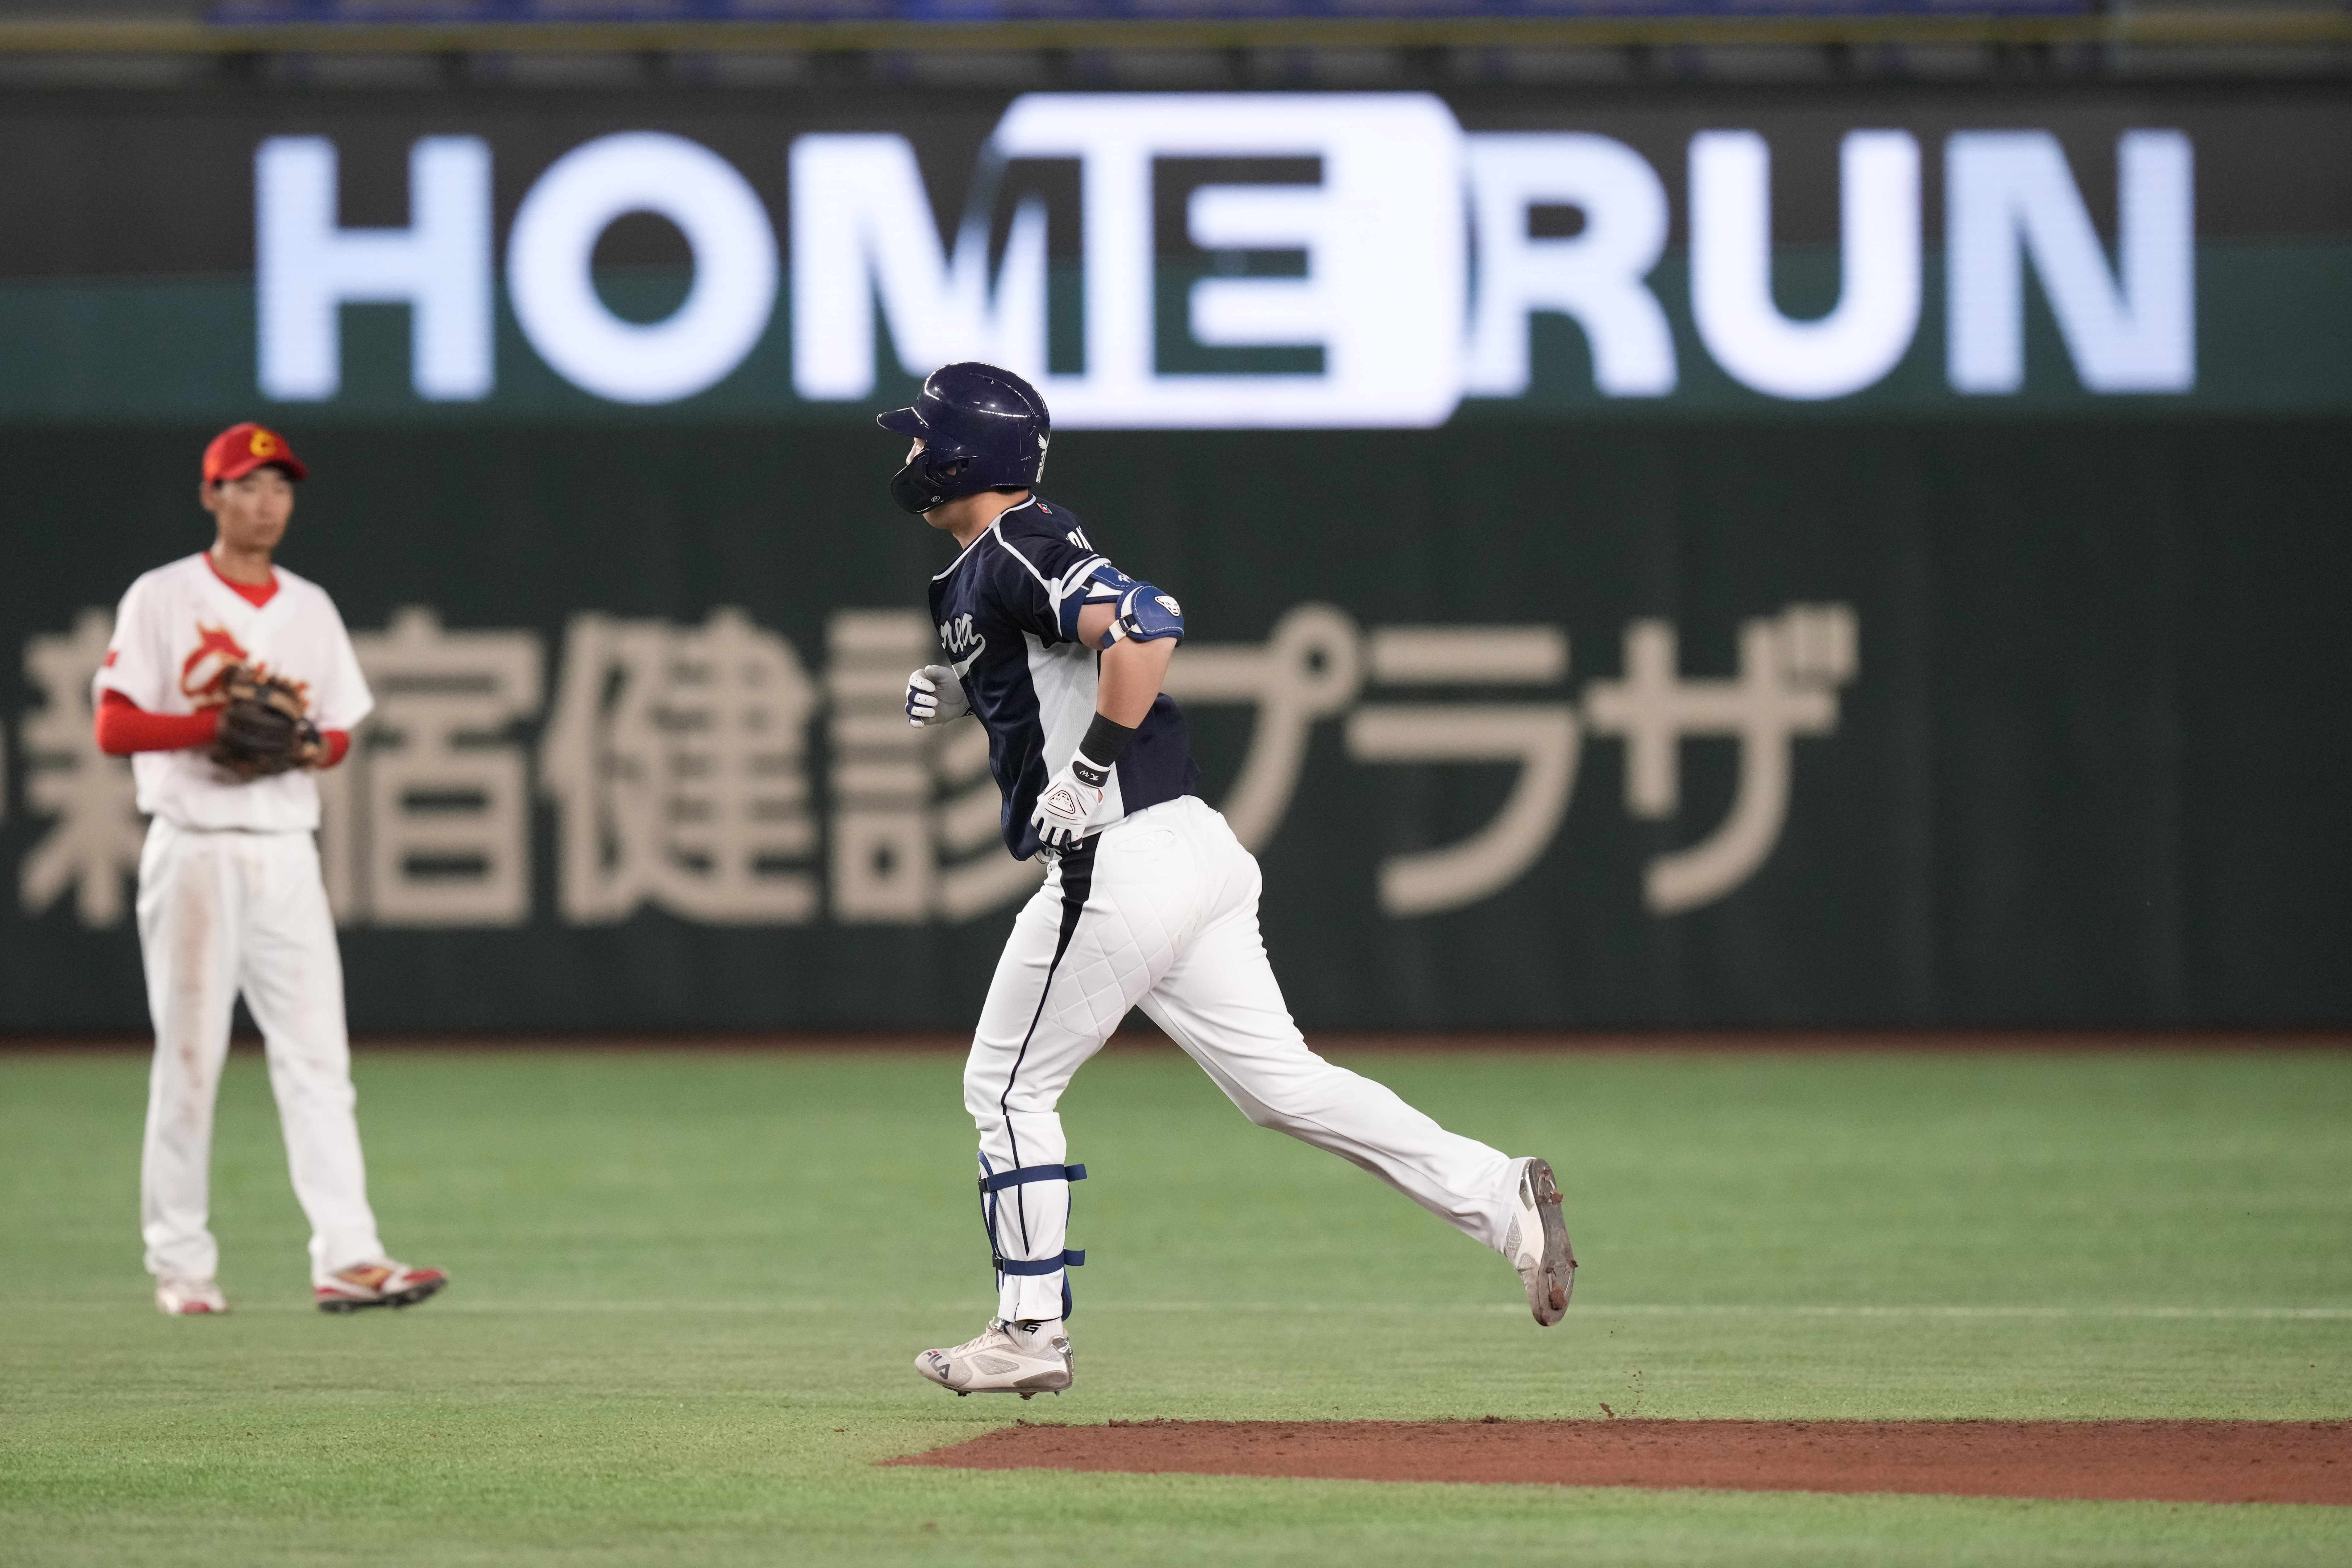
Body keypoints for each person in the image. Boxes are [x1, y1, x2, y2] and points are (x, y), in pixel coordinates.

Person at [888, 364, 1575, 1398]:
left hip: (1119, 857)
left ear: (959, 456)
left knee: (1008, 1083)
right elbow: (1062, 658)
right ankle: (1500, 1196)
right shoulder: (995, 563)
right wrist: (973, 686)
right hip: (1193, 849)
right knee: (1284, 1086)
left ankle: (1030, 1327)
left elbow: (1148, 625)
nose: (906, 456)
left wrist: (1082, 773)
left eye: (920, 439)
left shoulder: (1017, 547)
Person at [95, 422, 447, 1317]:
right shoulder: (163, 595)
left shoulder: (308, 605)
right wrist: (210, 729)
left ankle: (350, 1255)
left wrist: (298, 745)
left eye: (280, 488)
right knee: (189, 1061)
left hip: (286, 850)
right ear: (211, 495)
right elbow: (115, 726)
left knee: (319, 1059)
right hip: (196, 846)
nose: (266, 503)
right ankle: (181, 1265)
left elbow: (337, 729)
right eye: (247, 486)